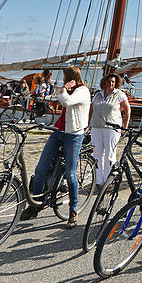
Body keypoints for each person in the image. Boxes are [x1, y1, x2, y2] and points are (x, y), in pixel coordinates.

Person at [22, 66, 90, 226]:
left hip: (74, 135)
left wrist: (64, 89)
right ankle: (36, 205)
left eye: (66, 77)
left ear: (72, 77)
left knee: (70, 173)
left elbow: (67, 101)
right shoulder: (69, 90)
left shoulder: (82, 91)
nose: (64, 79)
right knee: (40, 169)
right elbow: (60, 99)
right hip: (59, 131)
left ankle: (73, 210)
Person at [89, 72, 130, 186]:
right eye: (109, 81)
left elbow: (127, 110)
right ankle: (98, 181)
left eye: (113, 81)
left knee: (110, 155)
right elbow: (91, 110)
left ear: (116, 83)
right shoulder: (98, 95)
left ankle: (109, 181)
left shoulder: (119, 94)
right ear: (105, 82)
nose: (111, 83)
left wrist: (124, 127)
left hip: (112, 128)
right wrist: (89, 124)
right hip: (96, 127)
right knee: (96, 155)